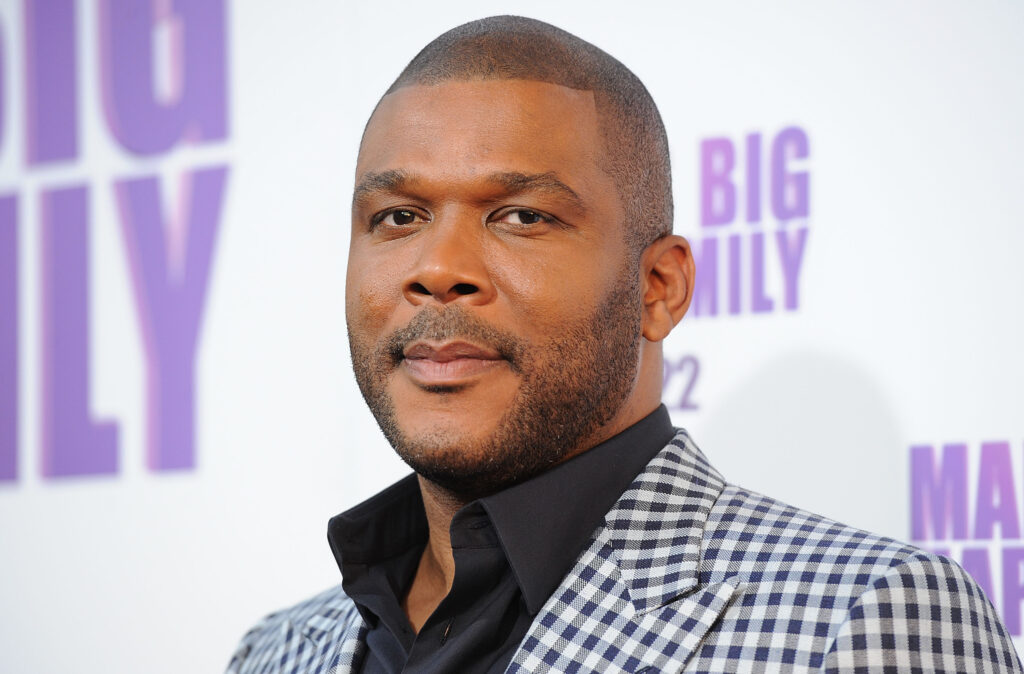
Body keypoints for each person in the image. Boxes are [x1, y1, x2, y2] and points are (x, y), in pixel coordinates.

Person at [228, 15, 1021, 674]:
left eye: (521, 217)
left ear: (659, 288)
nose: (439, 269)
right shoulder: (276, 652)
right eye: (398, 217)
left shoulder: (863, 617)